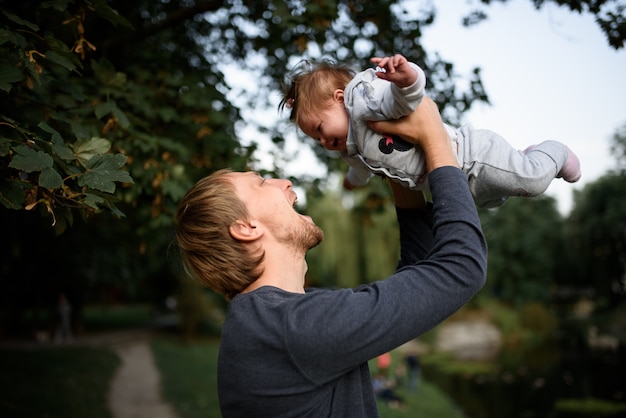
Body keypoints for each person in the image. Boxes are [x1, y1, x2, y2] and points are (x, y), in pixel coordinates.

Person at [174, 97, 487, 417]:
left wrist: (390, 160)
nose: (285, 183)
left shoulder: (277, 321)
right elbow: (460, 268)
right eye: (262, 182)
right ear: (246, 227)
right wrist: (434, 136)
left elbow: (417, 274)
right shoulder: (293, 328)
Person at [279, 54, 581, 208]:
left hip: (472, 156)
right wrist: (351, 182)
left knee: (532, 180)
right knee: (495, 199)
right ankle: (523, 157)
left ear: (339, 98)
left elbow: (403, 100)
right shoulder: (351, 148)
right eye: (315, 138)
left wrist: (406, 79)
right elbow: (361, 170)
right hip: (450, 181)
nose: (322, 140)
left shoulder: (365, 102)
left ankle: (556, 151)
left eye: (319, 127)